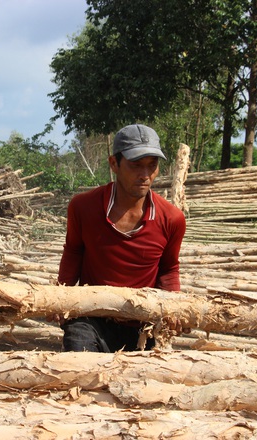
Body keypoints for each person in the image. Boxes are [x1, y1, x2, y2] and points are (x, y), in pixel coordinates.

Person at [57, 124, 186, 352]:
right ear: (114, 164)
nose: (145, 176)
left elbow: (168, 268)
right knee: (79, 363)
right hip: (91, 317)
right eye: (136, 166)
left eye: (152, 166)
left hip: (143, 324)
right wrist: (60, 298)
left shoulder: (171, 219)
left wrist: (173, 305)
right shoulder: (83, 207)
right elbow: (74, 251)